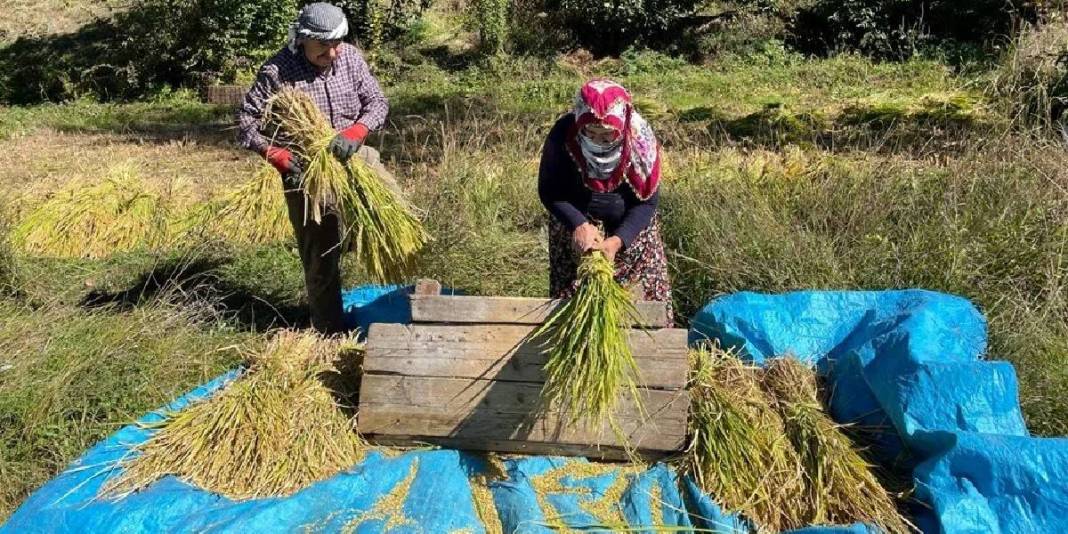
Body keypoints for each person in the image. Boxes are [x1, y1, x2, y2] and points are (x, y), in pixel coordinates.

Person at [237, 2, 391, 334]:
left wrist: (358, 130)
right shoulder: (277, 72)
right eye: (323, 46)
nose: (333, 53)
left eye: (337, 44)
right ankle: (330, 332)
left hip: (353, 157)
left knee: (390, 214)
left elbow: (378, 102)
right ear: (303, 38)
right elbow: (246, 124)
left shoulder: (349, 58)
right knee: (321, 256)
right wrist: (274, 153)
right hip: (306, 170)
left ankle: (399, 296)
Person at [538, 79, 674, 325]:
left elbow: (647, 203)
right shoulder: (563, 135)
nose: (598, 141)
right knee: (576, 301)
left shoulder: (640, 140)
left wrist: (616, 242)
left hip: (630, 229)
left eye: (607, 135)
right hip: (577, 226)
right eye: (590, 133)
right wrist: (578, 224)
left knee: (640, 306)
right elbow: (549, 190)